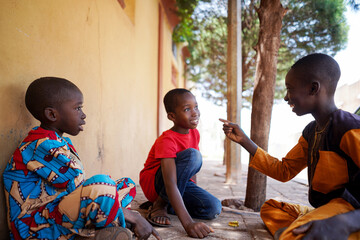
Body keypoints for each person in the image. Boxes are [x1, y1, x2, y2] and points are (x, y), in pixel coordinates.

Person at [220, 53, 360, 240]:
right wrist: (245, 141)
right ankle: (307, 228)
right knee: (271, 208)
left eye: (290, 89)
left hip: (350, 212)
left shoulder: (349, 127)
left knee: (293, 235)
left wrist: (346, 222)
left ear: (313, 88)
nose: (286, 97)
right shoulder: (311, 132)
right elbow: (284, 170)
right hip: (327, 210)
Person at [3, 77, 161, 240]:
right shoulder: (42, 146)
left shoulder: (58, 141)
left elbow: (76, 190)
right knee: (102, 186)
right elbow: (80, 189)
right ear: (52, 114)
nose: (83, 115)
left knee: (125, 185)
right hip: (36, 229)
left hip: (57, 213)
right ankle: (106, 229)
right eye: (77, 108)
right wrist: (135, 217)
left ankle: (102, 230)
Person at [139, 88, 222, 238]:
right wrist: (188, 224)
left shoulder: (194, 133)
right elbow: (170, 182)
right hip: (156, 183)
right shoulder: (167, 140)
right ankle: (159, 205)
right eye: (187, 109)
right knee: (193, 156)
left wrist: (196, 194)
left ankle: (171, 205)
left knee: (213, 207)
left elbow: (191, 172)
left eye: (196, 107)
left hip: (179, 183)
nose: (195, 112)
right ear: (172, 116)